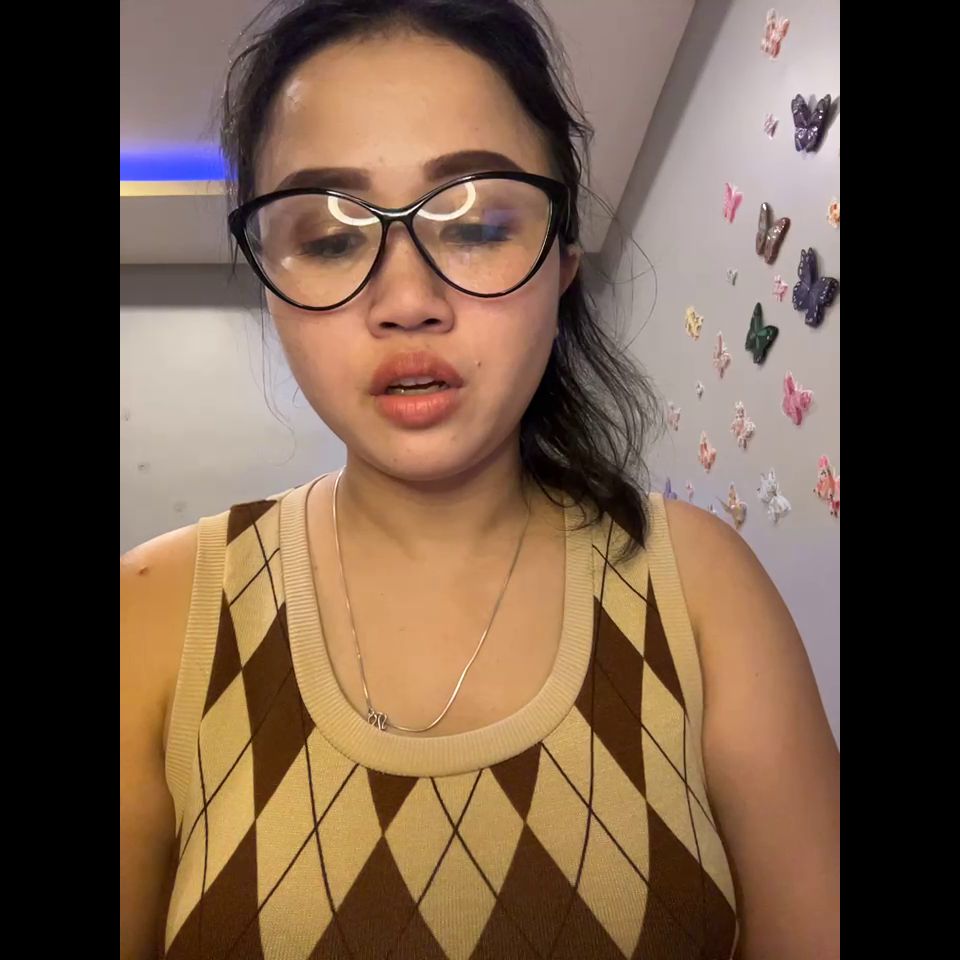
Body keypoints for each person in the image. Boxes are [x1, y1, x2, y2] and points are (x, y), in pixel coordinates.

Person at [120, 2, 840, 958]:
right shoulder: (153, 613)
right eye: (329, 238)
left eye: (477, 224)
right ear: (271, 283)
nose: (406, 300)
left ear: (563, 262)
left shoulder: (701, 587)